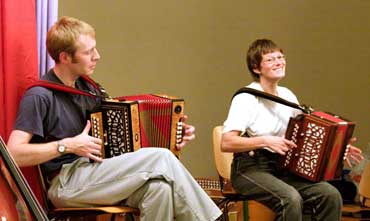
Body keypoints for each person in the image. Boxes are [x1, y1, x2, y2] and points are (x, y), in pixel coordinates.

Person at [7, 16, 222, 221]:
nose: (97, 56)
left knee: (160, 189)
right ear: (65, 57)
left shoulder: (90, 89)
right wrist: (67, 146)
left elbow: (123, 135)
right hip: (65, 181)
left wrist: (172, 131)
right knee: (162, 158)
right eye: (89, 52)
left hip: (97, 172)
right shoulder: (39, 96)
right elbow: (14, 154)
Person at [221, 38, 364, 221]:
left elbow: (304, 136)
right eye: (271, 59)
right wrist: (266, 140)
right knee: (290, 198)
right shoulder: (246, 98)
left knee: (330, 194)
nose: (279, 62)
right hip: (250, 169)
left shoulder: (287, 95)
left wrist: (338, 148)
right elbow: (226, 142)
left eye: (281, 57)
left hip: (282, 167)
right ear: (257, 68)